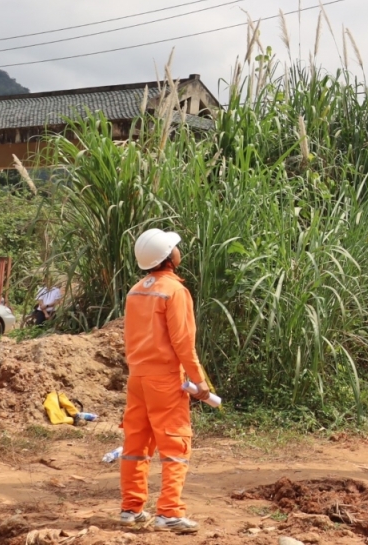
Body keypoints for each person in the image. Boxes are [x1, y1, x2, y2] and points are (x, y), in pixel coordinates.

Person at [119, 228, 211, 532]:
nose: (178, 251)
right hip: (165, 380)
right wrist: (200, 381)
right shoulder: (174, 291)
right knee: (175, 444)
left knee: (136, 443)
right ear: (169, 258)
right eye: (175, 248)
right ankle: (169, 512)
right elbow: (183, 342)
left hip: (138, 378)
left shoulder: (136, 290)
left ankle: (131, 509)